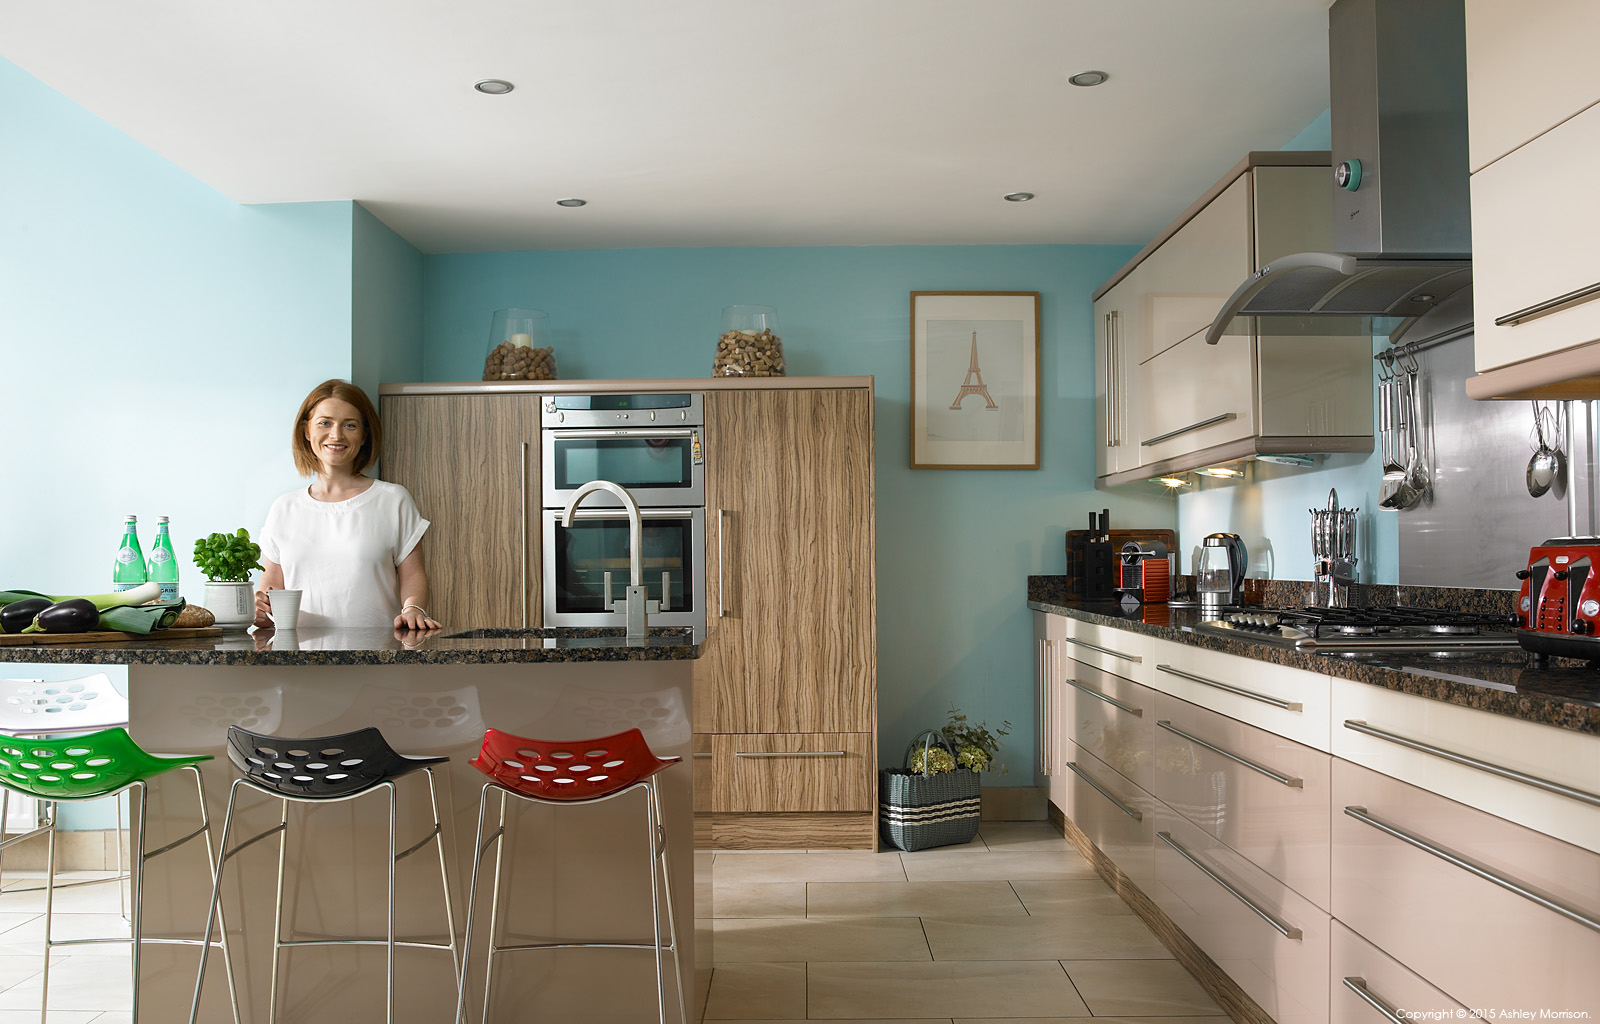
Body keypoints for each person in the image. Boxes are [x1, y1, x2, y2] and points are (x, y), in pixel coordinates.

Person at [253, 379, 442, 631]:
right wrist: (260, 610)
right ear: (307, 431)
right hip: (297, 659)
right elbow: (271, 586)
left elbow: (414, 575)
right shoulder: (283, 508)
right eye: (325, 423)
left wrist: (413, 609)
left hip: (376, 657)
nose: (336, 435)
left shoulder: (393, 500)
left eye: (349, 425)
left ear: (364, 435)